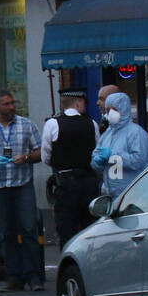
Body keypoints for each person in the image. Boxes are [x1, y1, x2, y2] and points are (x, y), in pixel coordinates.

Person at [0, 88, 45, 292]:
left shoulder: (26, 125)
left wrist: (27, 157)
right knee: (7, 233)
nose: (12, 107)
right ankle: (14, 277)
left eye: (13, 103)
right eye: (7, 104)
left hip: (22, 184)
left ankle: (34, 277)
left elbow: (42, 151)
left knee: (29, 229)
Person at [42, 86, 100, 246]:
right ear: (79, 103)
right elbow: (97, 152)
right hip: (89, 182)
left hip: (65, 184)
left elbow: (46, 157)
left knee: (66, 231)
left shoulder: (52, 124)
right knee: (90, 230)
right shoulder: (92, 123)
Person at [93, 92, 148, 197]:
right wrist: (98, 162)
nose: (110, 113)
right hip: (111, 194)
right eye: (108, 110)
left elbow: (138, 161)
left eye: (114, 110)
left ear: (124, 109)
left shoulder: (136, 133)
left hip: (134, 194)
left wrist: (113, 156)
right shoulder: (107, 134)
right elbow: (95, 158)